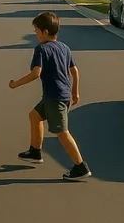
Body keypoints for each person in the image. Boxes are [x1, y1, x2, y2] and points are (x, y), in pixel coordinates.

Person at [9, 11, 91, 181]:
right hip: (59, 95)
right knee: (34, 116)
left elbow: (36, 73)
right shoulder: (64, 47)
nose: (35, 34)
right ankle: (35, 151)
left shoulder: (41, 49)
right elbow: (75, 71)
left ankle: (80, 166)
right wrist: (75, 92)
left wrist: (16, 83)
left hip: (55, 98)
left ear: (45, 32)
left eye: (36, 30)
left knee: (62, 132)